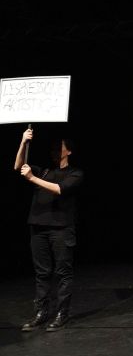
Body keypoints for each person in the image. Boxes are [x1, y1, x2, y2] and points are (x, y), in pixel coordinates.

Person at [14, 128, 84, 332]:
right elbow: (18, 165)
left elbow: (59, 189)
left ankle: (62, 313)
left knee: (63, 272)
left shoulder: (75, 173)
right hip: (38, 227)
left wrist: (31, 178)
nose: (54, 150)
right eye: (52, 147)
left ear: (69, 151)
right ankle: (41, 313)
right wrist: (23, 142)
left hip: (61, 229)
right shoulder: (44, 171)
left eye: (59, 147)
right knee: (42, 273)